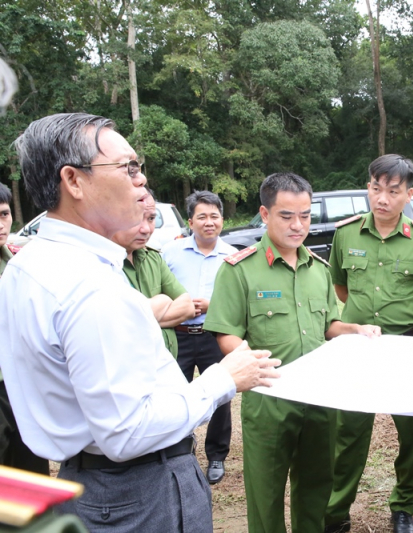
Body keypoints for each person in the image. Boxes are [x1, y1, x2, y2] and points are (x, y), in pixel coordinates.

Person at [0, 113, 280, 532]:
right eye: (128, 167)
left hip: (95, 484)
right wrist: (222, 379)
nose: (142, 180)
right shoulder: (88, 284)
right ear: (73, 181)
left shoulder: (30, 266)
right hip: (140, 493)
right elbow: (128, 433)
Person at [203, 172, 380, 533]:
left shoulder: (319, 268)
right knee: (265, 492)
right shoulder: (240, 270)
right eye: (287, 216)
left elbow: (329, 324)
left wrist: (355, 329)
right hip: (270, 399)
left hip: (319, 397)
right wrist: (260, 366)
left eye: (305, 215)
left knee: (315, 487)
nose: (298, 225)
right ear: (265, 215)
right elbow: (226, 335)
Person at [325, 154, 413, 533]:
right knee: (349, 432)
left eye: (393, 191)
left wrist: (406, 325)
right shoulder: (345, 234)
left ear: (409, 194)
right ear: (368, 188)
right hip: (359, 348)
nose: (383, 198)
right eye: (376, 188)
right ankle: (337, 510)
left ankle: (404, 506)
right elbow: (340, 286)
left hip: (407, 347)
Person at [161, 190, 237, 484]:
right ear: (190, 221)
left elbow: (236, 300)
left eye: (214, 216)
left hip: (212, 335)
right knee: (172, 392)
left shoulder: (232, 257)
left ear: (222, 220)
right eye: (202, 216)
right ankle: (179, 448)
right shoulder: (170, 253)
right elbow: (159, 289)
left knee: (220, 394)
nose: (209, 222)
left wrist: (209, 305)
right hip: (177, 335)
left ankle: (216, 455)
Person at [0, 182, 50, 476]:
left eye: (4, 215)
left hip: (20, 382)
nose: (0, 224)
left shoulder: (17, 262)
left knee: (31, 464)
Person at [111, 191, 195, 359]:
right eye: (137, 218)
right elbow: (115, 324)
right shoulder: (104, 265)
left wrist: (139, 319)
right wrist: (162, 301)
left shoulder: (153, 258)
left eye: (151, 219)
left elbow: (187, 307)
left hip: (167, 365)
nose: (146, 229)